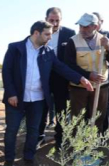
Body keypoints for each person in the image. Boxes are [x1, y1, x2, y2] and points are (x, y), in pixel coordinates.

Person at [2, 20, 93, 166]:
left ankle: (29, 158)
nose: (50, 38)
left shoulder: (48, 52)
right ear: (36, 33)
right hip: (16, 99)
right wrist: (11, 93)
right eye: (47, 34)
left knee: (34, 130)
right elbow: (7, 71)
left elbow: (61, 68)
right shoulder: (15, 48)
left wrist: (81, 78)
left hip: (38, 100)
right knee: (12, 130)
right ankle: (8, 160)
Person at [64, 13, 109, 132]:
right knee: (77, 118)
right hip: (79, 86)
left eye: (86, 27)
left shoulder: (105, 40)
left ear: (95, 27)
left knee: (98, 117)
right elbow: (69, 64)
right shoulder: (73, 41)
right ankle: (78, 146)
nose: (82, 29)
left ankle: (92, 144)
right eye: (80, 26)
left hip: (101, 87)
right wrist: (88, 75)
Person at [38, 7, 76, 150]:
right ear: (46, 19)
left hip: (62, 78)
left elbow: (72, 59)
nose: (54, 23)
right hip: (43, 78)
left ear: (61, 19)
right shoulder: (39, 32)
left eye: (57, 20)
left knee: (61, 110)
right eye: (51, 20)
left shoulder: (69, 34)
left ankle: (60, 138)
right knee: (42, 108)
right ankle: (39, 136)